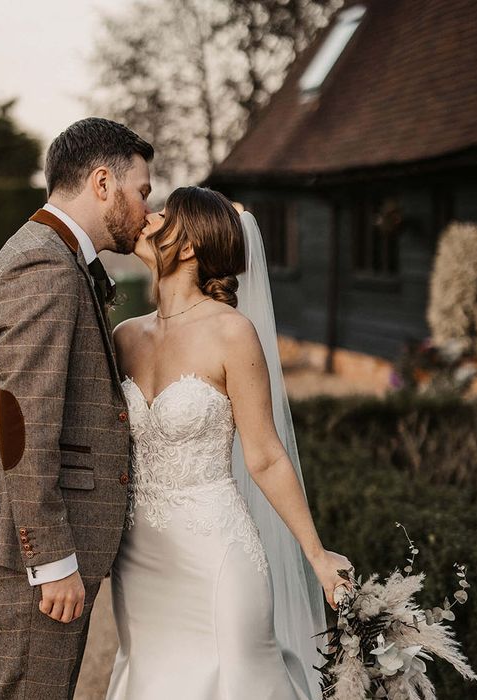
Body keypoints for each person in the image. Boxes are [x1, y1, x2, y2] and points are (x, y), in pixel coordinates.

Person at [106, 186, 353, 699]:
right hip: (137, 560)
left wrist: (317, 554)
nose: (146, 219)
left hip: (215, 555)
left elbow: (264, 456)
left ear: (190, 245)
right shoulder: (124, 336)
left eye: (161, 215)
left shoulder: (232, 333)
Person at [0, 117, 153, 699]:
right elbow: (21, 420)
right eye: (142, 191)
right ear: (102, 183)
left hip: (37, 546)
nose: (147, 208)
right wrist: (50, 559)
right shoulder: (43, 265)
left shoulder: (55, 254)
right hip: (32, 557)